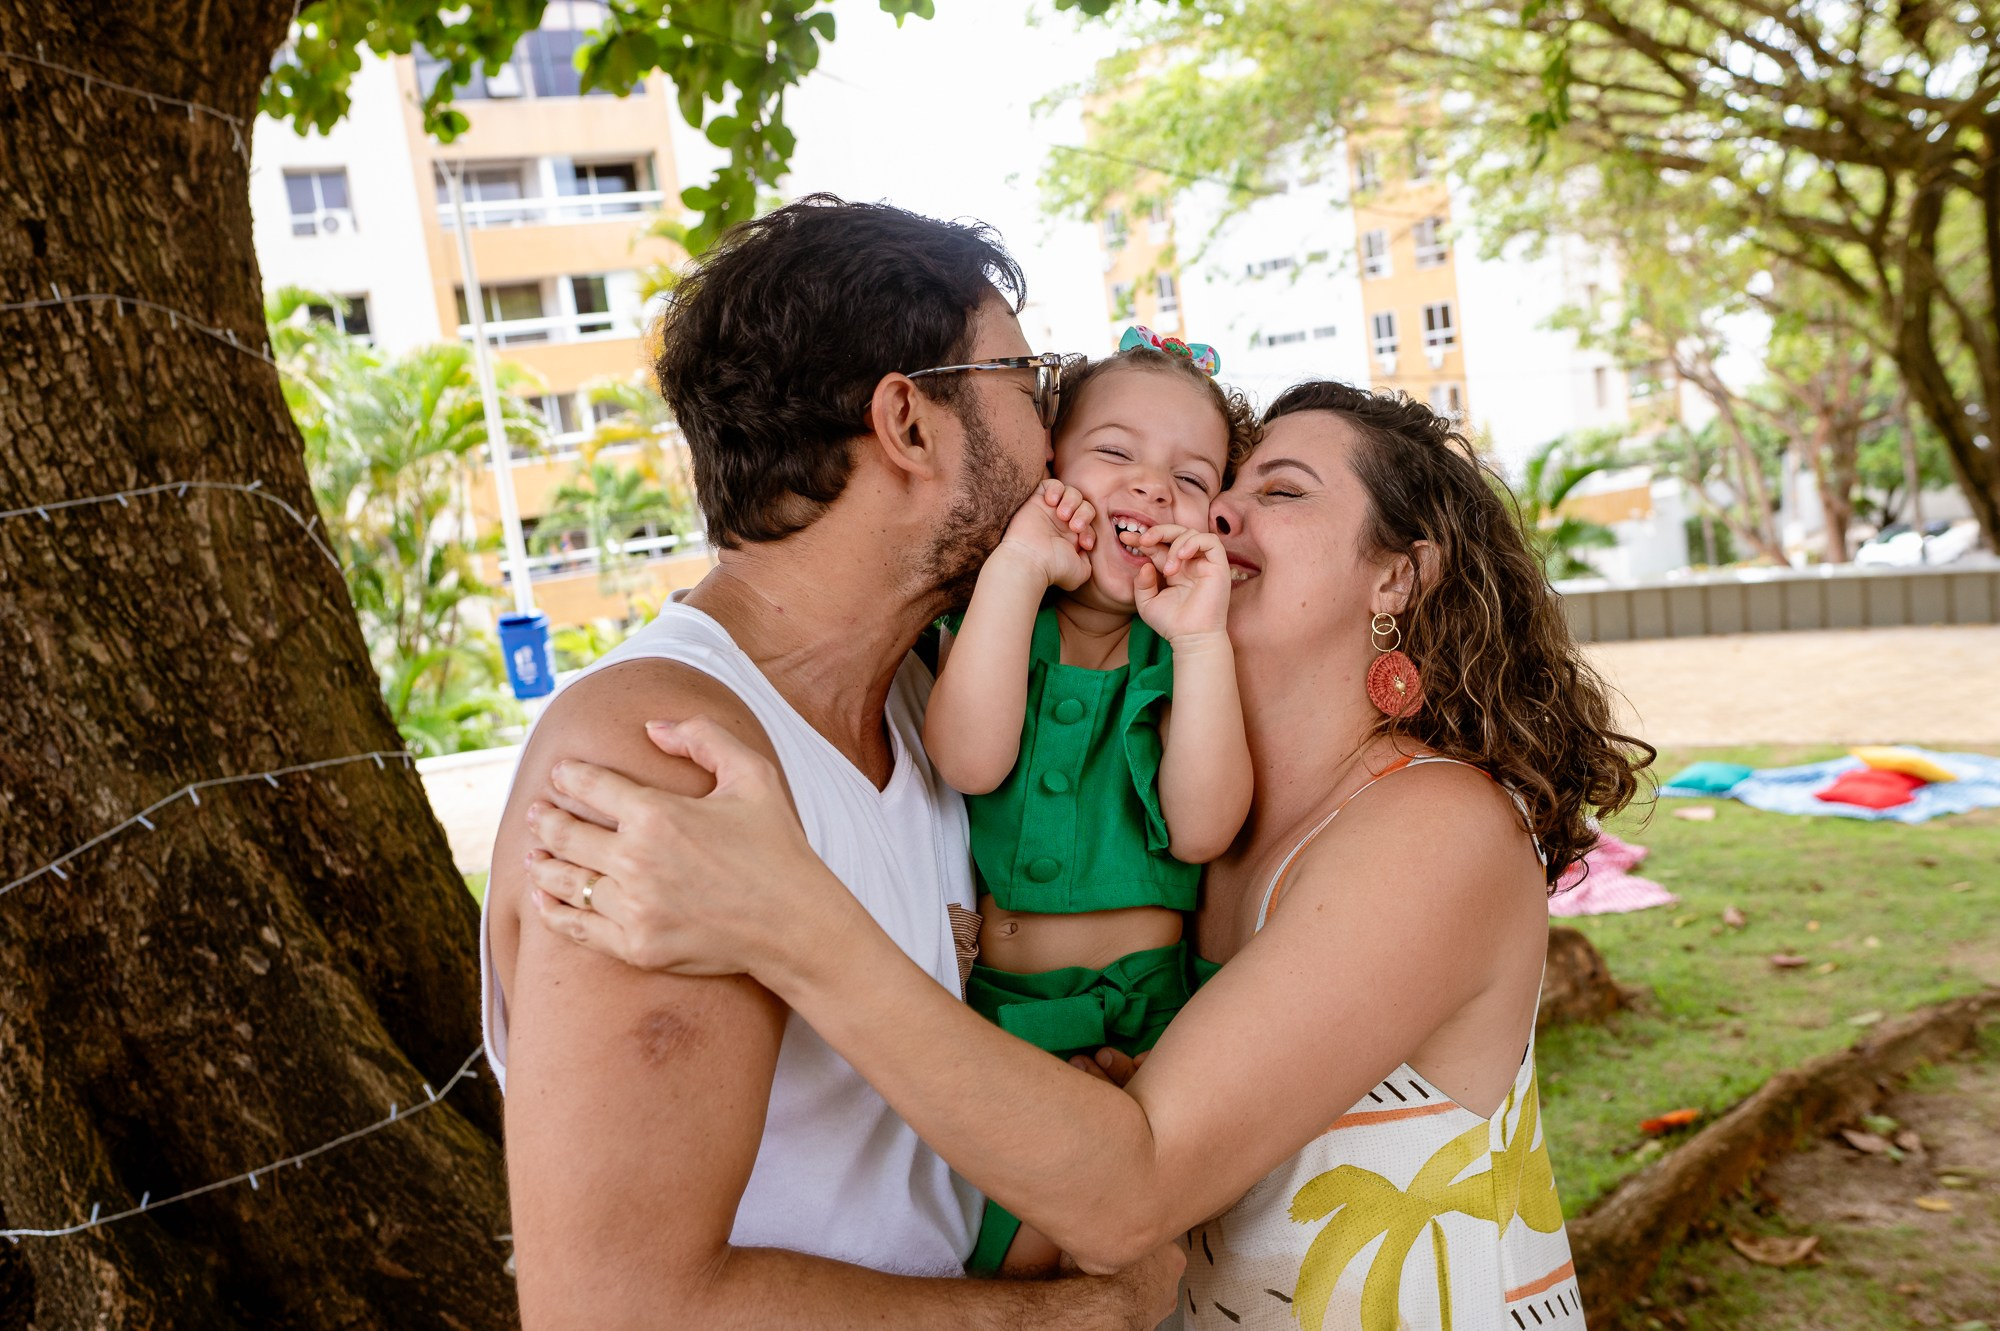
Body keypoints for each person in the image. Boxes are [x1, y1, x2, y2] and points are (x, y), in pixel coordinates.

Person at [523, 382, 1654, 1330]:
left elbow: (1130, 1181)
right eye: (1229, 487)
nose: (1217, 516)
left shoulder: (1437, 826)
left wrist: (784, 915)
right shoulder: (1196, 823)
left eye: (1281, 491)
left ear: (1396, 576)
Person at [481, 194, 1181, 1330]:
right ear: (907, 421)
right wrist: (1076, 1316)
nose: (1056, 432)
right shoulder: (660, 757)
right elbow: (616, 1307)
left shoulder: (932, 702)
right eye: (1025, 379)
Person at [925, 327, 1258, 1276]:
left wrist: (1198, 641)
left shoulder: (1187, 650)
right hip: (1005, 1018)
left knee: (1122, 1258)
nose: (1154, 487)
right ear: (1048, 468)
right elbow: (967, 759)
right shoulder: (998, 617)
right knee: (1009, 1259)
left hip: (1150, 1021)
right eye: (1115, 453)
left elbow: (1202, 827)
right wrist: (1021, 566)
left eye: (1192, 478)